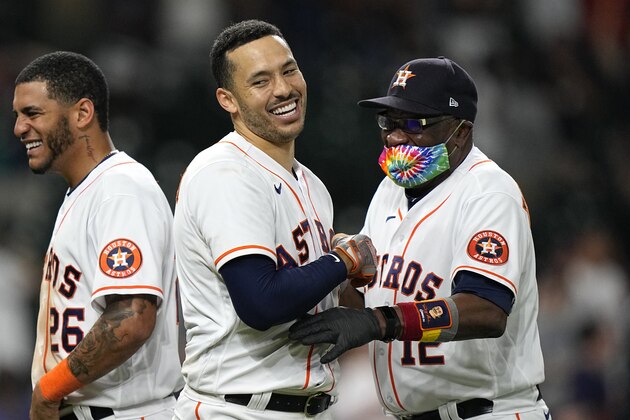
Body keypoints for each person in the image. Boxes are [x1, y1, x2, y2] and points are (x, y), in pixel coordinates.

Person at [290, 57, 551, 419]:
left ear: (461, 131)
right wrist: (339, 271)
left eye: (415, 123)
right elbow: (364, 296)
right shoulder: (389, 190)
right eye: (389, 122)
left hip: (486, 411)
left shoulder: (488, 193)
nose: (396, 136)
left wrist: (381, 321)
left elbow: (487, 310)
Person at [172, 19, 377, 420]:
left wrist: (348, 282)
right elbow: (260, 302)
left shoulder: (313, 186)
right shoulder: (225, 172)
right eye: (260, 81)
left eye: (289, 70)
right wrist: (343, 262)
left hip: (306, 406)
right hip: (236, 409)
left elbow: (309, 298)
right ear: (228, 100)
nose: (283, 89)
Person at [13, 51, 183, 420]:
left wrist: (49, 390)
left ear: (82, 113)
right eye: (18, 115)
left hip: (126, 412)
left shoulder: (120, 189)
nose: (19, 128)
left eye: (32, 113)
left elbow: (131, 317)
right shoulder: (90, 189)